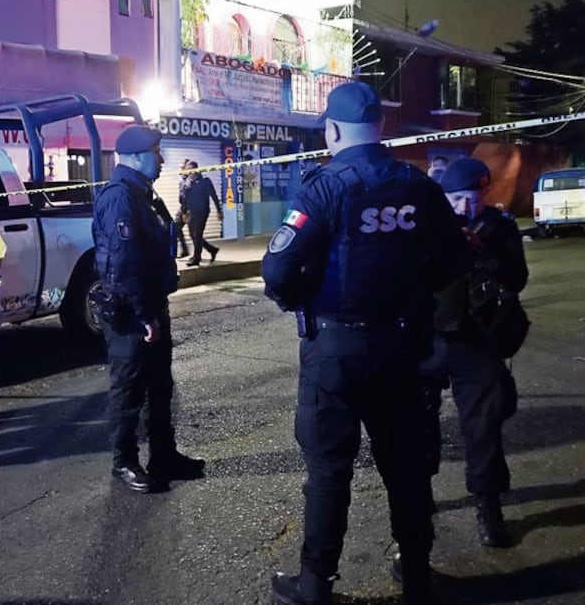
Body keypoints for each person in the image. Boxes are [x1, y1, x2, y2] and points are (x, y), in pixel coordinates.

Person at [261, 81, 473, 605]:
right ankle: (417, 576)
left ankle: (315, 585)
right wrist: (412, 293)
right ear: (381, 127)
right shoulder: (418, 185)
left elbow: (278, 270)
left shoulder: (324, 187)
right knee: (406, 469)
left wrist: (301, 300)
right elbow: (453, 261)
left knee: (329, 471)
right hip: (401, 349)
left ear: (332, 131)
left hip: (334, 350)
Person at [419, 156, 528, 549]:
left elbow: (518, 278)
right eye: (456, 200)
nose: (464, 207)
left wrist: (484, 254)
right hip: (428, 338)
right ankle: (419, 497)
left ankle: (488, 503)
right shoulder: (428, 226)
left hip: (477, 339)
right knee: (417, 424)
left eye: (472, 198)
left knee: (483, 428)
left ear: (486, 192)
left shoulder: (500, 227)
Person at [91, 125, 205, 493]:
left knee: (160, 387)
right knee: (129, 391)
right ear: (137, 156)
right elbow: (124, 264)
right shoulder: (120, 198)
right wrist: (144, 316)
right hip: (131, 313)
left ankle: (164, 456)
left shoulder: (143, 194)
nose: (161, 159)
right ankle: (124, 462)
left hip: (151, 304)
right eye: (156, 152)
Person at [183, 161, 223, 267]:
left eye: (191, 170)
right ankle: (212, 249)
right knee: (193, 234)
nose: (189, 172)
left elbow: (214, 196)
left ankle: (196, 258)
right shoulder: (187, 182)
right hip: (191, 212)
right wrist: (184, 212)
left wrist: (219, 211)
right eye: (188, 170)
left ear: (196, 170)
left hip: (202, 211)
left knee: (197, 234)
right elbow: (185, 198)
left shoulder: (205, 181)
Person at [174, 159, 193, 259]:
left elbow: (187, 196)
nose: (180, 170)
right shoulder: (183, 180)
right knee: (176, 227)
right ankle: (184, 250)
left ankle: (210, 249)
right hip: (183, 208)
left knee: (194, 233)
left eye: (182, 168)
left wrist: (185, 212)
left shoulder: (190, 180)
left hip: (188, 209)